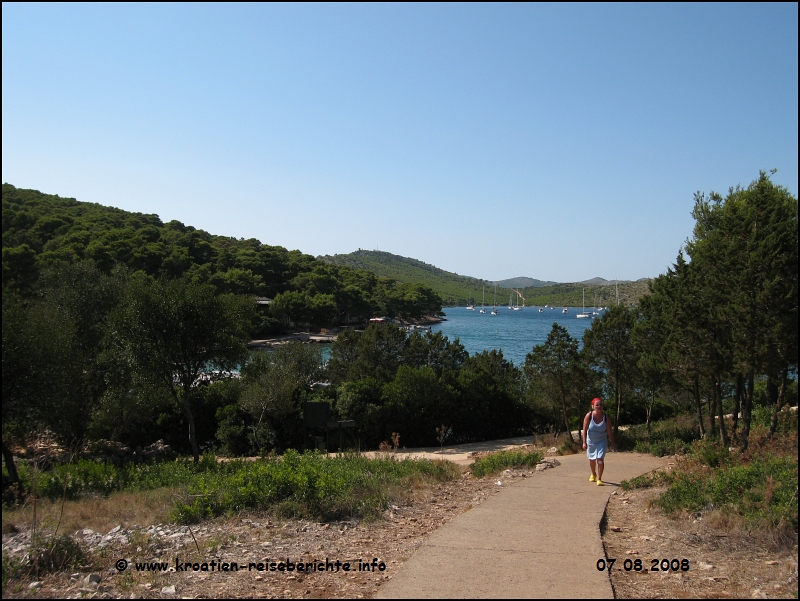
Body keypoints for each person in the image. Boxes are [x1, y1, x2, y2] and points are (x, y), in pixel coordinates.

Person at [582, 397, 616, 485]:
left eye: (601, 405)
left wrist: (613, 444)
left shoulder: (606, 417)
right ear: (593, 406)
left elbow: (609, 431)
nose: (599, 406)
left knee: (600, 459)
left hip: (602, 440)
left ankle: (599, 479)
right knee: (592, 460)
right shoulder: (589, 416)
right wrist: (584, 442)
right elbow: (585, 430)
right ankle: (593, 474)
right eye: (597, 405)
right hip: (591, 441)